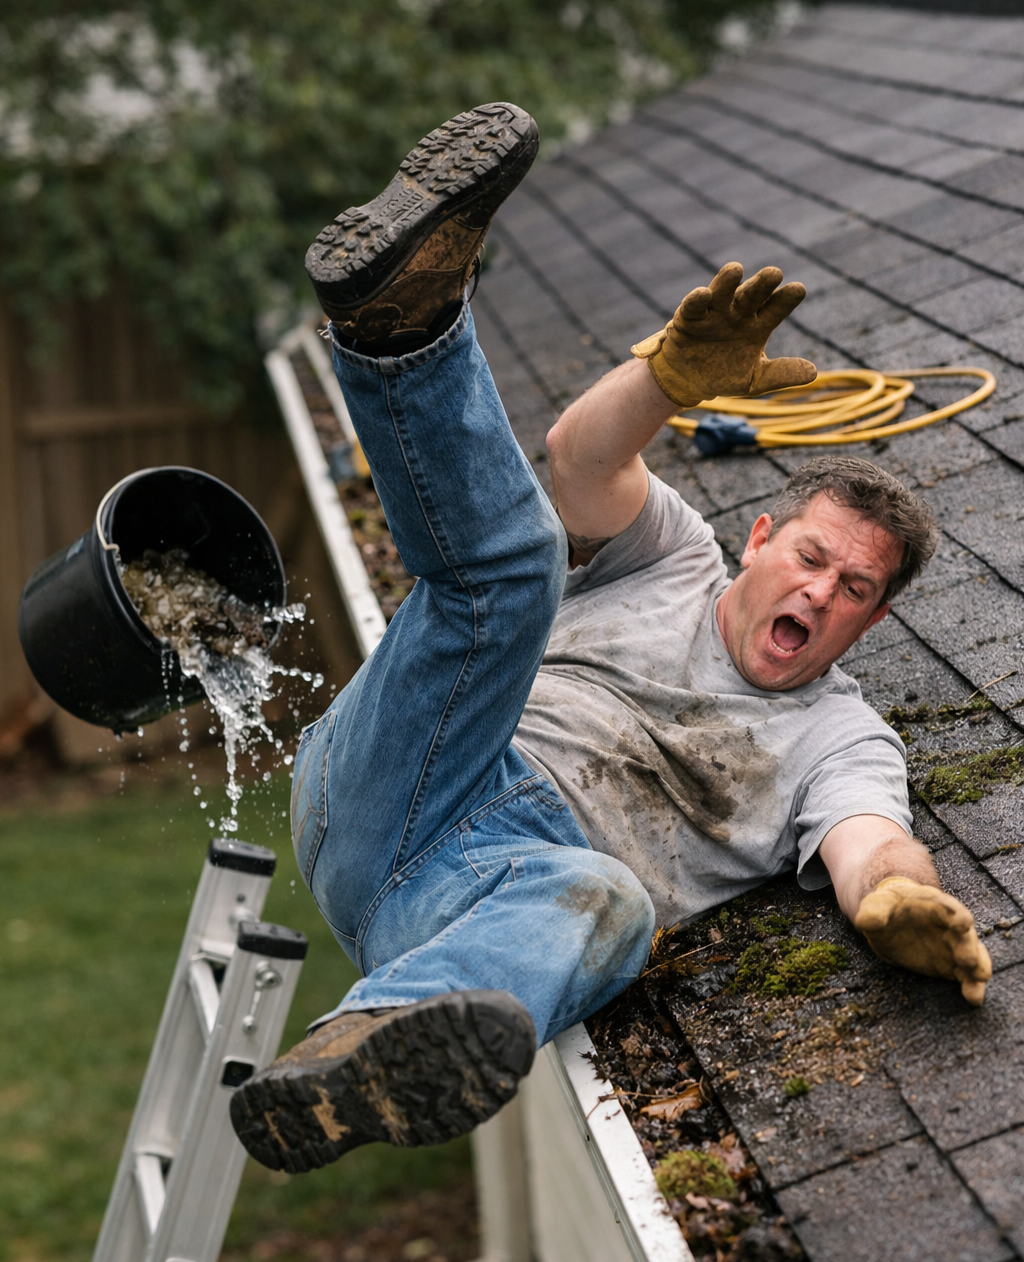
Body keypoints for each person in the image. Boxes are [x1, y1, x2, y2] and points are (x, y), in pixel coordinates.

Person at [230, 102, 991, 1176]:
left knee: (613, 904)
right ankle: (403, 328)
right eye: (812, 559)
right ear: (760, 538)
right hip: (425, 763)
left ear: (873, 619)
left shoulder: (839, 739)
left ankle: (359, 1048)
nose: (820, 594)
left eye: (854, 589)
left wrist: (899, 905)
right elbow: (581, 458)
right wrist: (666, 382)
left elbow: (869, 844)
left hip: (472, 902)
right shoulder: (673, 554)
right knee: (509, 571)